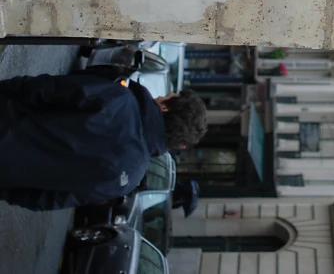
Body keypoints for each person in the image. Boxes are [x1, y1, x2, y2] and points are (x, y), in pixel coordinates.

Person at [0, 73, 208, 211]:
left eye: (167, 96)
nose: (161, 95)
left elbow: (43, 89)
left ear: (165, 108)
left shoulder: (120, 100)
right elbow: (49, 200)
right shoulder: (129, 178)